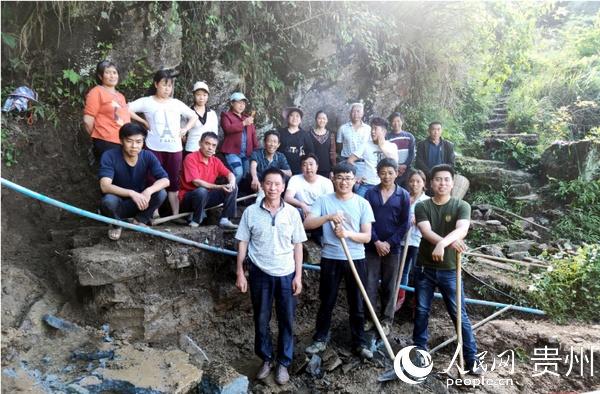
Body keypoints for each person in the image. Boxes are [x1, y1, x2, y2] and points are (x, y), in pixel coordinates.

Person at [235, 168, 306, 385]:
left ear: (283, 187)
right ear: (263, 185)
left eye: (277, 184)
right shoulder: (250, 212)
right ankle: (266, 359)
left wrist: (298, 276)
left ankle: (283, 362)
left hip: (286, 274)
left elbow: (298, 246)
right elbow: (243, 242)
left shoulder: (293, 213)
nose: (273, 188)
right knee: (261, 318)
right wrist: (240, 272)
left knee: (286, 319)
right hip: (259, 274)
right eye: (269, 183)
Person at [412, 164, 482, 375]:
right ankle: (419, 352)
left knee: (459, 314)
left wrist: (443, 244)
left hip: (451, 269)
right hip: (425, 268)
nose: (442, 183)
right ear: (431, 183)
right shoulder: (422, 206)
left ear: (452, 183)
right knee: (422, 310)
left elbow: (462, 229)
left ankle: (471, 359)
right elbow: (425, 231)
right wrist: (446, 242)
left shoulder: (462, 206)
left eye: (446, 180)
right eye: (438, 180)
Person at [304, 162, 375, 359]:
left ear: (354, 180)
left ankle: (359, 342)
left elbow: (367, 237)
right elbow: (307, 223)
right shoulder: (323, 200)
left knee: (357, 302)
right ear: (333, 179)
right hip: (331, 258)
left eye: (348, 178)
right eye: (340, 178)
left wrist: (348, 234)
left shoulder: (362, 203)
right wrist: (328, 217)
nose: (344, 182)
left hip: (356, 258)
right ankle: (320, 339)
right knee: (327, 300)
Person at [128, 69, 197, 217]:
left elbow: (193, 116)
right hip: (154, 147)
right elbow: (126, 108)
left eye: (170, 86)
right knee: (153, 179)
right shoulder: (147, 102)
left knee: (173, 182)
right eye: (164, 85)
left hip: (175, 148)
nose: (167, 89)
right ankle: (154, 212)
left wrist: (185, 129)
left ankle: (175, 213)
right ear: (156, 84)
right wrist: (142, 121)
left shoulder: (176, 103)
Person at [363, 158, 410, 335]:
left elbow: (404, 224)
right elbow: (366, 219)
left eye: (390, 172)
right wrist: (376, 241)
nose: (387, 176)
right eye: (383, 172)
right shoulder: (370, 193)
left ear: (397, 173)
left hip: (393, 248)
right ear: (378, 173)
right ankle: (370, 317)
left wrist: (389, 243)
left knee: (391, 284)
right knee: (370, 282)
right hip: (371, 246)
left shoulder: (403, 195)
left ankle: (386, 320)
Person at [98, 123, 169, 240]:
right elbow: (105, 186)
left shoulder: (147, 156)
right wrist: (131, 193)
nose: (134, 146)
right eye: (129, 141)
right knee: (108, 201)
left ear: (143, 142)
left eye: (138, 142)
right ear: (121, 141)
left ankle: (140, 220)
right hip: (118, 204)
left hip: (139, 204)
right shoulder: (109, 156)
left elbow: (165, 180)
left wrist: (148, 191)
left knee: (161, 193)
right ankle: (116, 224)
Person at [83, 60, 145, 159]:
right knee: (109, 172)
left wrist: (143, 122)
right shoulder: (96, 92)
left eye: (114, 73)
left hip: (124, 141)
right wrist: (99, 137)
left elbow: (126, 112)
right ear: (100, 76)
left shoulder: (120, 96)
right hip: (106, 142)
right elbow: (88, 120)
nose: (112, 76)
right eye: (107, 73)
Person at [178, 132, 238, 229]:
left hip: (206, 198)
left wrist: (231, 182)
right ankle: (196, 220)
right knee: (201, 191)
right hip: (189, 199)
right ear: (200, 144)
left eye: (213, 145)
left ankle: (225, 219)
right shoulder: (190, 158)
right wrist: (219, 186)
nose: (210, 148)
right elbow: (196, 182)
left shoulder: (215, 161)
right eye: (207, 144)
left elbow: (230, 174)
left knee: (233, 187)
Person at [396, 169, 429, 311]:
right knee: (401, 270)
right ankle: (399, 297)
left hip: (418, 241)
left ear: (423, 184)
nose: (414, 184)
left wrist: (420, 220)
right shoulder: (404, 198)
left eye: (418, 181)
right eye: (412, 181)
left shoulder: (427, 201)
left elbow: (431, 222)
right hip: (403, 240)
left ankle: (418, 302)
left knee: (418, 272)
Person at [347, 117, 397, 197]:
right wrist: (356, 177)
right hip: (366, 185)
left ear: (384, 131)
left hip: (385, 186)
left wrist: (382, 146)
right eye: (372, 129)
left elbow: (394, 163)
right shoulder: (366, 145)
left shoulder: (392, 146)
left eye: (375, 129)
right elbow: (350, 160)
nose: (372, 132)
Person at [220, 92, 259, 184]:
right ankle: (228, 194)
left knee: (246, 174)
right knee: (238, 173)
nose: (242, 105)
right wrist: (243, 123)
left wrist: (256, 150)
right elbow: (227, 129)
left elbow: (253, 135)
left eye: (244, 103)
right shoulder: (226, 116)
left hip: (246, 153)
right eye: (239, 102)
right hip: (232, 152)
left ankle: (239, 195)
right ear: (232, 103)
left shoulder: (246, 117)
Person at [284, 154, 334, 220]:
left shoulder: (326, 182)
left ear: (317, 167)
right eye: (304, 165)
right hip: (300, 213)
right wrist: (302, 205)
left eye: (311, 164)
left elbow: (329, 203)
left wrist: (314, 212)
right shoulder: (295, 179)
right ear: (301, 168)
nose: (308, 168)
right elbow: (287, 198)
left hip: (320, 214)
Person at [277, 107, 314, 175]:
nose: (294, 118)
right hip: (282, 170)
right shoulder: (280, 133)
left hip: (299, 170)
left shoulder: (305, 135)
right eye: (292, 115)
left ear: (300, 120)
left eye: (297, 116)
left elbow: (310, 152)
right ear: (288, 118)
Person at [184, 81, 218, 154]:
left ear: (208, 96)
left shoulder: (212, 113)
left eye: (204, 95)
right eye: (198, 95)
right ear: (194, 95)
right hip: (191, 149)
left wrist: (213, 150)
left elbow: (215, 134)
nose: (201, 98)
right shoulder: (187, 112)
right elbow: (183, 132)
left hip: (208, 151)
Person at [336, 102, 371, 168]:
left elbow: (370, 146)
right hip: (345, 162)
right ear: (350, 113)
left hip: (363, 163)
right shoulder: (343, 128)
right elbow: (339, 146)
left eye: (358, 111)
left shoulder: (368, 129)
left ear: (362, 113)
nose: (355, 114)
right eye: (353, 111)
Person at [386, 112, 416, 188]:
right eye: (393, 121)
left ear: (402, 122)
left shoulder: (409, 136)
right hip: (393, 169)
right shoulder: (387, 138)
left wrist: (405, 165)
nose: (396, 123)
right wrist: (397, 166)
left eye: (398, 121)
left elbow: (412, 154)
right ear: (391, 123)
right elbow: (386, 154)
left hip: (407, 170)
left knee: (407, 192)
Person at [309, 111, 336, 178]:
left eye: (324, 118)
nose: (322, 120)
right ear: (316, 119)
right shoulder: (308, 134)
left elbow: (333, 153)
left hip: (326, 169)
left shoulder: (331, 135)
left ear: (327, 120)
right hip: (311, 168)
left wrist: (333, 170)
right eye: (319, 118)